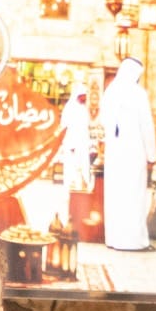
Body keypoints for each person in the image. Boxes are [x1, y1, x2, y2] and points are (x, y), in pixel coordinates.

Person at [100, 56, 156, 250]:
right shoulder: (138, 94)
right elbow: (146, 126)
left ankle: (114, 240)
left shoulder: (110, 92)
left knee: (115, 196)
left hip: (114, 154)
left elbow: (104, 121)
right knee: (134, 196)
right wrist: (152, 156)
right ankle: (134, 241)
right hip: (134, 153)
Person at [59, 81, 93, 215]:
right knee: (71, 171)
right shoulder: (70, 108)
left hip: (83, 145)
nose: (84, 98)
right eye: (82, 95)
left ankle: (83, 193)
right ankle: (69, 195)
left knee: (84, 170)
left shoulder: (83, 108)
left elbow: (85, 127)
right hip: (72, 145)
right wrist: (71, 144)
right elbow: (65, 127)